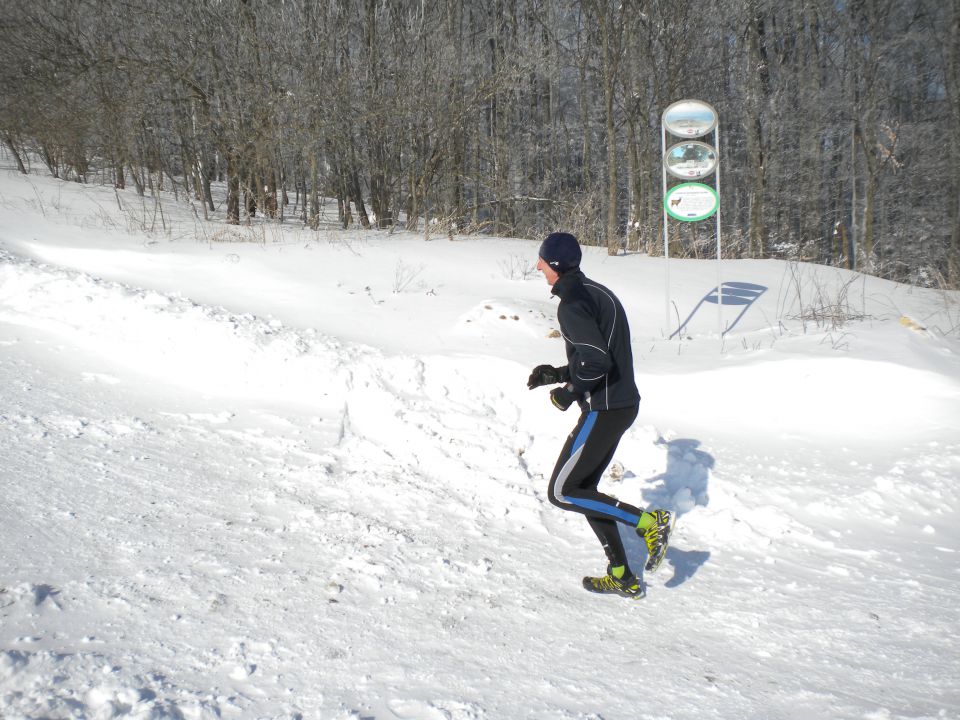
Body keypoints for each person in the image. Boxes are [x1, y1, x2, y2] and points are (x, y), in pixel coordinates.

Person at [527, 232, 673, 599]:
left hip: (604, 408)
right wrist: (559, 374)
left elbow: (597, 361)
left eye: (542, 260)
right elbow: (596, 353)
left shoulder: (572, 303)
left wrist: (570, 391)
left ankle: (647, 523)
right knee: (584, 490)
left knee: (562, 491)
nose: (538, 266)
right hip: (619, 404)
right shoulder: (595, 292)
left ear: (555, 265)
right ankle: (622, 574)